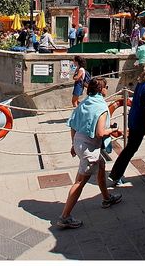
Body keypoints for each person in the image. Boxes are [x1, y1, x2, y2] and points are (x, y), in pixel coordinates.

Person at [55, 76, 123, 229]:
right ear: (101, 89)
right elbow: (100, 132)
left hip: (79, 142)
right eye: (106, 86)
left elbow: (72, 124)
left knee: (101, 164)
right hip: (89, 149)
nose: (107, 89)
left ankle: (106, 198)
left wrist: (73, 144)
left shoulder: (84, 102)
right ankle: (64, 217)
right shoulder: (101, 106)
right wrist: (113, 130)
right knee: (79, 182)